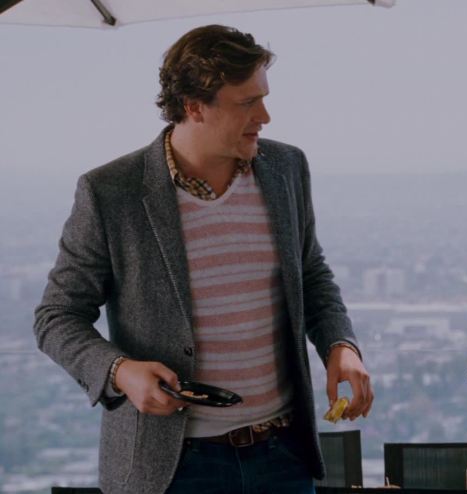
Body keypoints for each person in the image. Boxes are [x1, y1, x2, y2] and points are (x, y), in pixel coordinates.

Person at [34, 25, 373, 494]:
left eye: (264, 98)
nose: (265, 116)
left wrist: (340, 345)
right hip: (171, 469)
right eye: (247, 103)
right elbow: (56, 317)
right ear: (194, 106)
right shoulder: (111, 192)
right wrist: (120, 371)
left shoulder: (286, 168)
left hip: (282, 457)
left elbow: (310, 273)